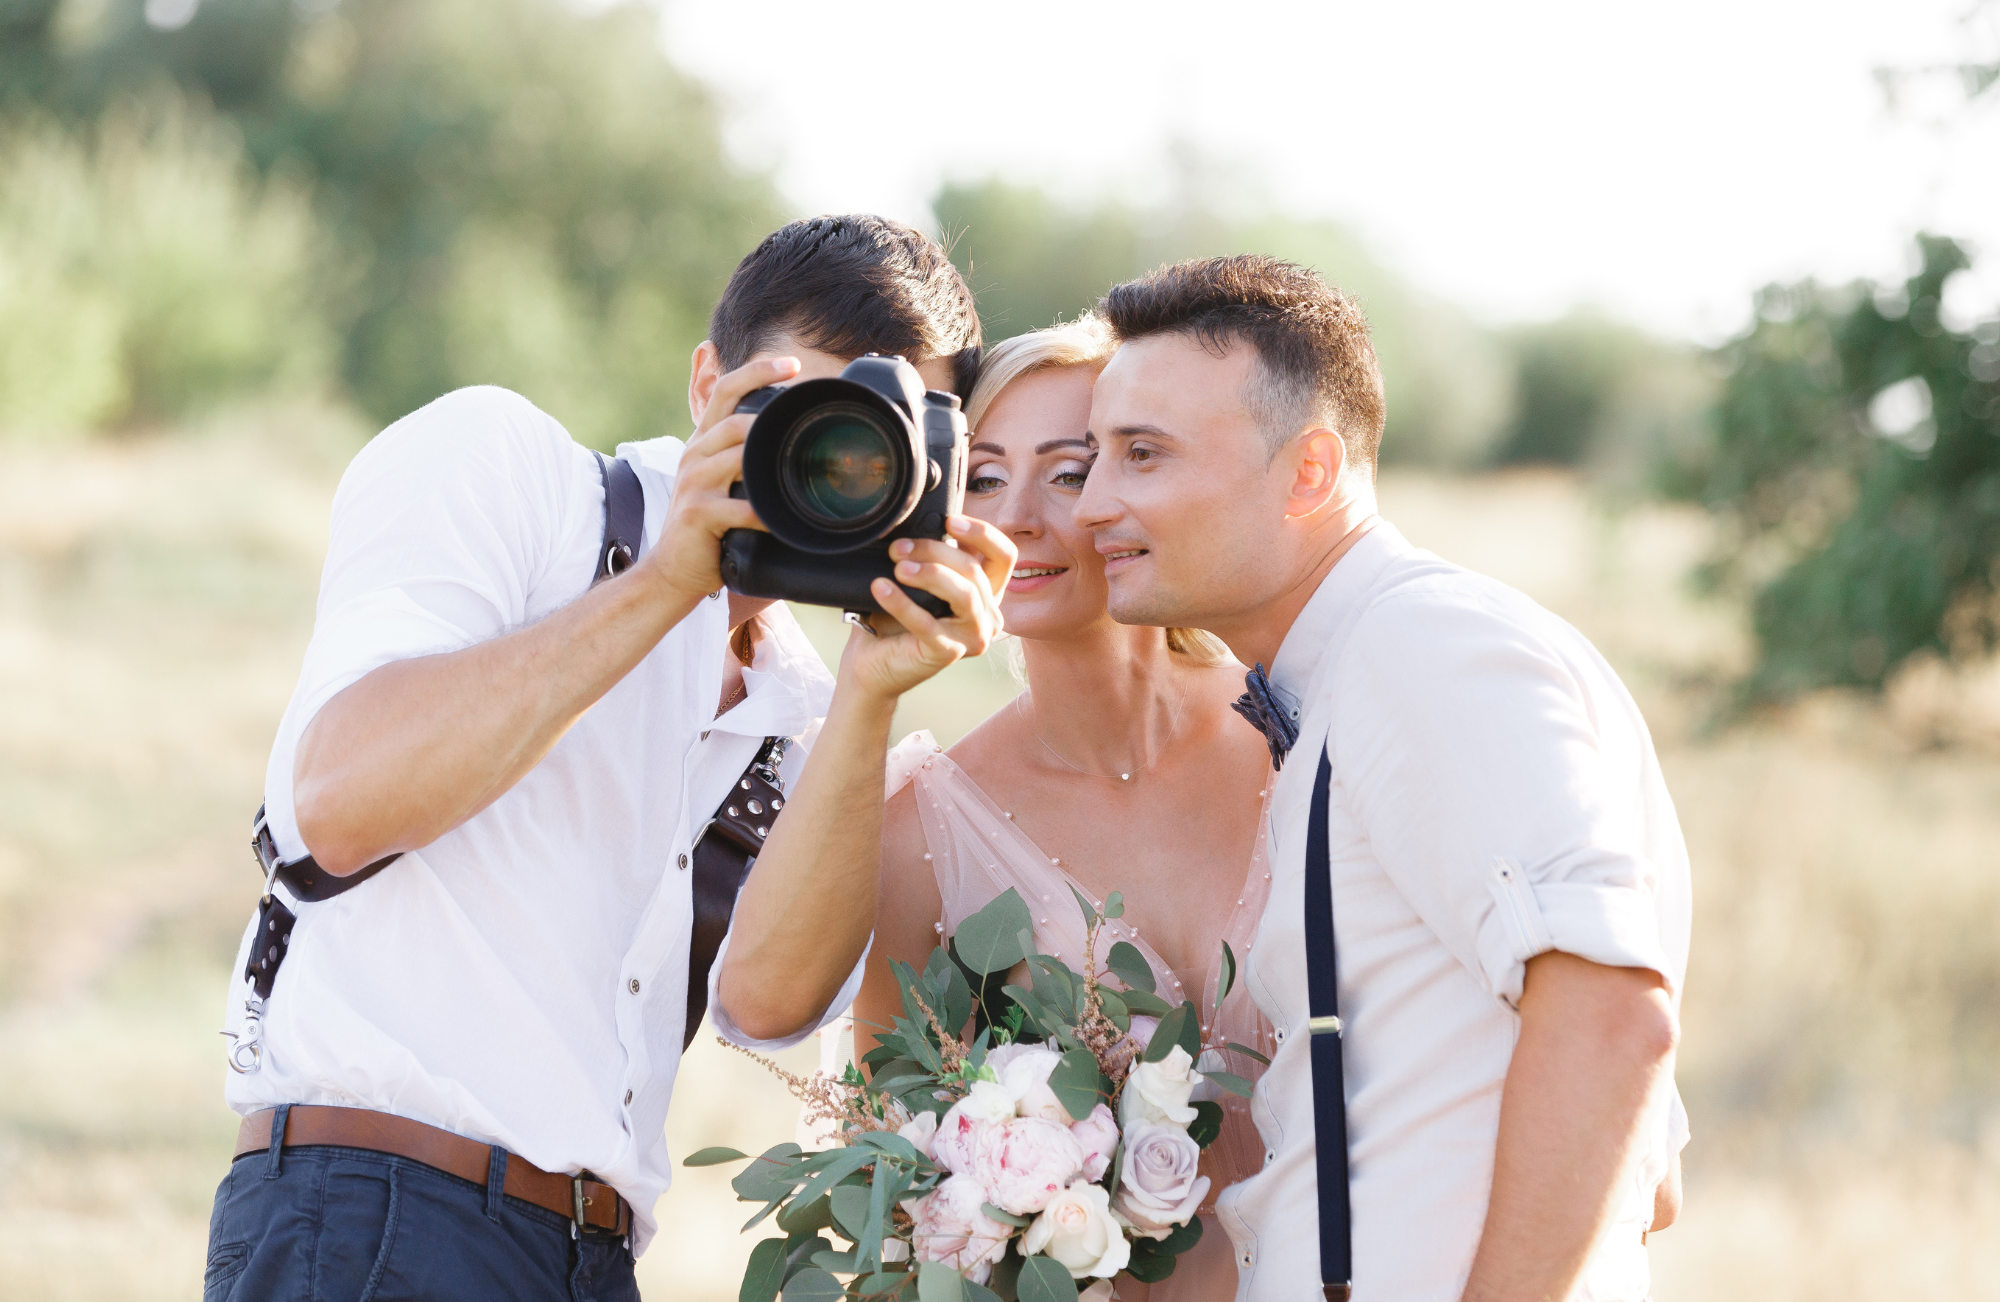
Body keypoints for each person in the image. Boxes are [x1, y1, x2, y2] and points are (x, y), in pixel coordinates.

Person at [201, 215, 1014, 1302]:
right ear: (703, 385)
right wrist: (666, 584)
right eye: (802, 414)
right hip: (374, 1210)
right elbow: (338, 800)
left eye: (870, 445)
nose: (826, 465)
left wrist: (873, 687)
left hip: (589, 1258)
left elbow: (766, 1009)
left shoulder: (810, 710)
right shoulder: (510, 470)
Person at [1074, 256, 1690, 1302]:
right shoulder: (1354, 671)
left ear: (1308, 469)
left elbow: (1608, 1017)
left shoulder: (1425, 648)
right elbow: (1654, 1175)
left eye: (1141, 454)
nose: (1093, 503)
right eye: (1095, 456)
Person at [852, 316, 1279, 1300]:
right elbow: (893, 1165)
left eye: (1070, 469)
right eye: (986, 479)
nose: (1019, 520)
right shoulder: (924, 829)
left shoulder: (1297, 733)